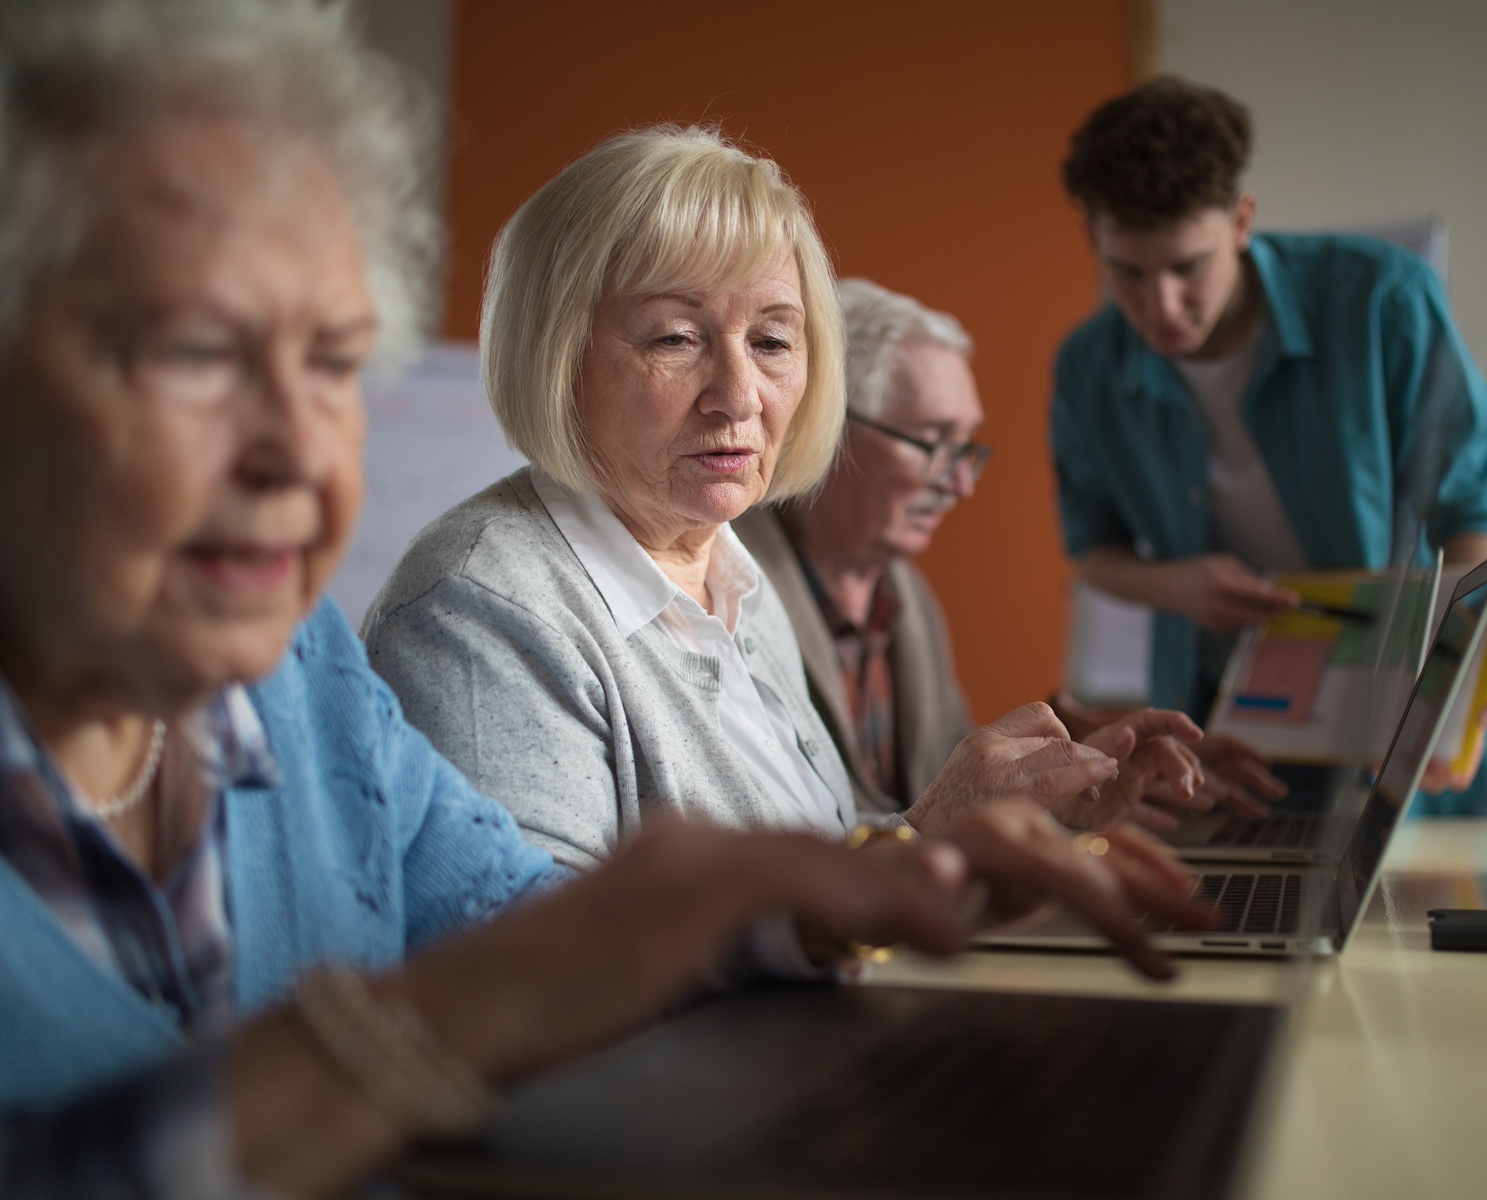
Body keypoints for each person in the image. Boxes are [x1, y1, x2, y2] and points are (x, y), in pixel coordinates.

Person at [0, 5, 1210, 1195]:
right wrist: (425, 1034)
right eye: (196, 353)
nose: (299, 455)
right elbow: (513, 992)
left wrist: (862, 890)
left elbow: (556, 935)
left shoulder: (295, 671)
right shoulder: (474, 605)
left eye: (331, 361)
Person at [362, 125, 1226, 873]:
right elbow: (540, 976)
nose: (740, 394)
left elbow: (819, 866)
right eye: (676, 337)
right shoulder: (480, 608)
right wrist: (923, 843)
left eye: (773, 340)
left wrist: (1011, 821)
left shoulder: (730, 574)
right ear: (557, 356)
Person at [1050, 78, 1487, 815]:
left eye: (1188, 267)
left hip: (1410, 695)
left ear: (1242, 222)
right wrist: (1175, 585)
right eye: (1128, 272)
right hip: (1240, 733)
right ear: (1094, 239)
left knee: (1473, 917)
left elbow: (1467, 508)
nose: (1162, 307)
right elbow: (1093, 549)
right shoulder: (1088, 366)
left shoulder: (1380, 298)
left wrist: (1458, 668)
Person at [735, 278, 1287, 821]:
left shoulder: (906, 594)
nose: (960, 485)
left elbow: (943, 789)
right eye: (933, 443)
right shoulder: (723, 591)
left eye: (966, 447)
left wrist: (1083, 766)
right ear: (826, 427)